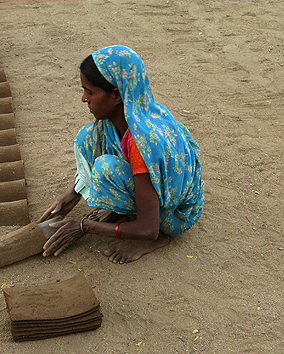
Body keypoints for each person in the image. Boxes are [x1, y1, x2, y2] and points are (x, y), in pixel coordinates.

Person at [39, 45, 204, 264]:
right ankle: (126, 213)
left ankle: (158, 238)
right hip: (155, 191)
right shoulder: (134, 112)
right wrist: (75, 191)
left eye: (90, 92)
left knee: (107, 169)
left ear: (116, 95)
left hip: (173, 216)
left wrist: (84, 226)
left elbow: (148, 228)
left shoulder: (141, 141)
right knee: (88, 136)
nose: (84, 99)